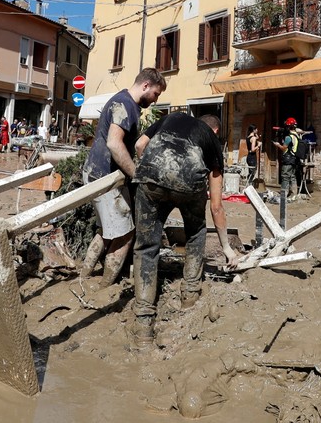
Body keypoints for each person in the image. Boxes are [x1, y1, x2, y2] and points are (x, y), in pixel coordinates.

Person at [129, 113, 240, 348]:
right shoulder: (211, 139)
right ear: (216, 130)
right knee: (196, 232)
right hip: (189, 182)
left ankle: (143, 327)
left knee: (146, 248)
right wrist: (227, 249)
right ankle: (189, 297)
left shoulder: (173, 117)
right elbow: (217, 206)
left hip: (151, 175)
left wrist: (154, 177)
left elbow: (140, 144)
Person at [79, 67, 167, 284]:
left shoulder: (122, 101)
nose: (155, 100)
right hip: (106, 178)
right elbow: (114, 142)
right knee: (124, 234)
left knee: (104, 230)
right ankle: (104, 287)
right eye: (156, 94)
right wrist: (136, 174)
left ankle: (84, 276)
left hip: (94, 173)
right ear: (145, 85)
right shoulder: (126, 104)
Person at [272, 118, 304, 201]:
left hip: (288, 159)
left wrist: (278, 145)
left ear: (288, 127)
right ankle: (294, 194)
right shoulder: (296, 135)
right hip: (294, 158)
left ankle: (283, 195)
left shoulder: (288, 138)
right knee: (292, 176)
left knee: (285, 176)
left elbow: (284, 148)